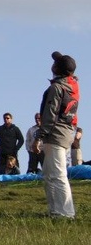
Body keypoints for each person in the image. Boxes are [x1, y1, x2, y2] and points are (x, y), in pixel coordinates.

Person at [34, 51, 79, 219]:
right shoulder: (72, 85)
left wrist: (39, 136)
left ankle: (65, 213)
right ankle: (55, 211)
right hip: (66, 132)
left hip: (55, 135)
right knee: (49, 174)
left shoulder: (56, 87)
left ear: (56, 68)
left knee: (58, 175)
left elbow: (50, 115)